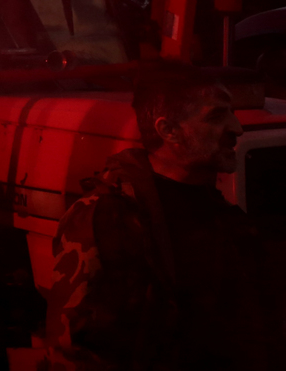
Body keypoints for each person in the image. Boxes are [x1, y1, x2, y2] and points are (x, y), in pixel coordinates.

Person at [44, 66, 284, 370]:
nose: (237, 128)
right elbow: (77, 346)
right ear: (168, 130)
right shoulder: (110, 217)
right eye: (216, 116)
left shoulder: (224, 216)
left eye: (232, 114)